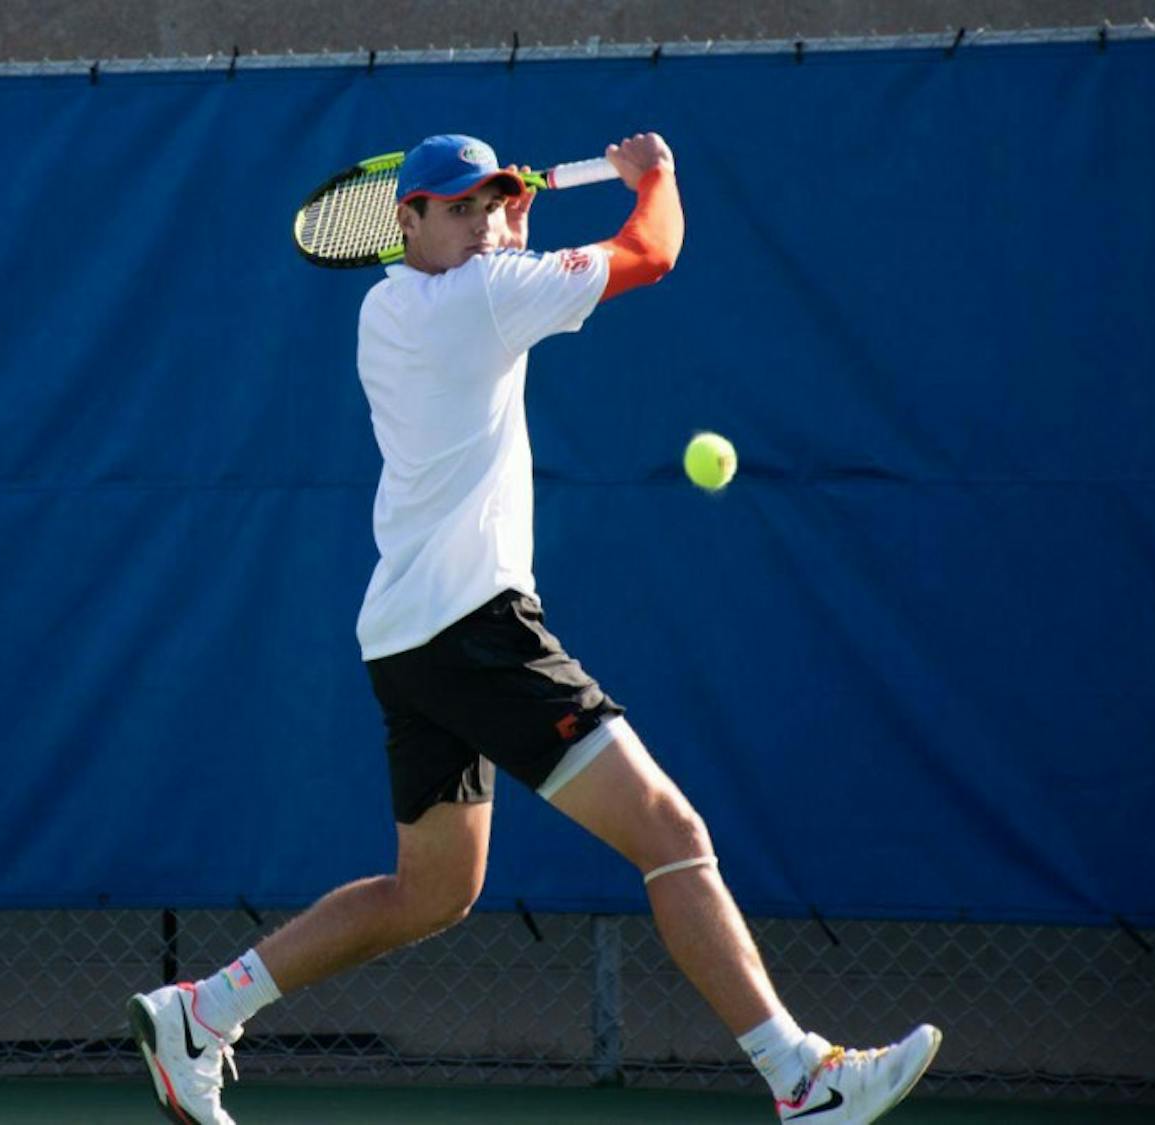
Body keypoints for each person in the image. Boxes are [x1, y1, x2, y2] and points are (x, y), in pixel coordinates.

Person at [128, 132, 941, 1125]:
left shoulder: (392, 304)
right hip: (478, 630)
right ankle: (802, 1076)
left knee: (431, 893)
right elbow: (653, 252)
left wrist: (507, 242)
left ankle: (200, 1012)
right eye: (457, 206)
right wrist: (658, 177)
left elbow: (500, 280)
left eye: (493, 203)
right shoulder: (479, 297)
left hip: (406, 638)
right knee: (671, 834)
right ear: (407, 216)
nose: (478, 221)